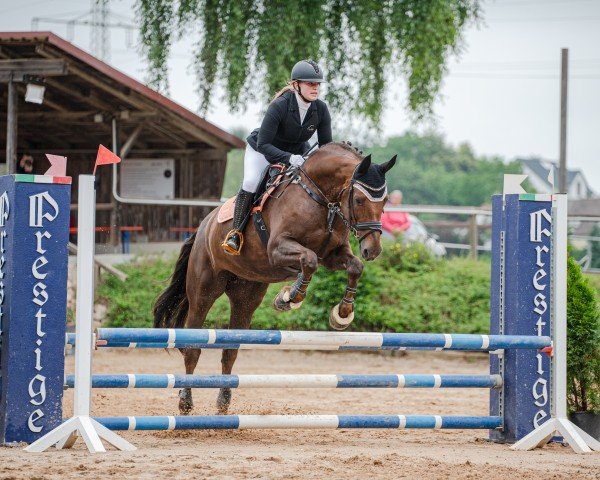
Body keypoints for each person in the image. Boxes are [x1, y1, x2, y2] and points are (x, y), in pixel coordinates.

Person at [222, 59, 333, 255]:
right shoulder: (280, 106)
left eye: (317, 84)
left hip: (297, 152)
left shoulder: (321, 109)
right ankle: (235, 233)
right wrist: (289, 158)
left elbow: (326, 146)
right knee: (250, 182)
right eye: (310, 83)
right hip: (262, 150)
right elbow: (264, 144)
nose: (315, 88)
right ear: (296, 84)